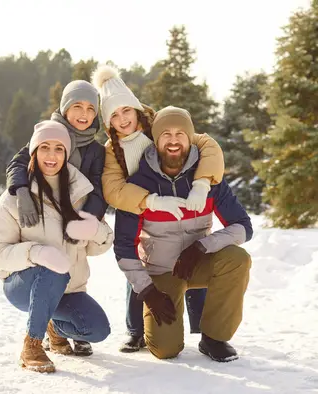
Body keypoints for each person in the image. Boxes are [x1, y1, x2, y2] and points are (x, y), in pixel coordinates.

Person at [92, 65, 226, 352]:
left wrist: (202, 183)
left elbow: (207, 144)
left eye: (126, 111)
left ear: (136, 109)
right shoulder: (111, 150)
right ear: (108, 122)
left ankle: (203, 328)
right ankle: (136, 330)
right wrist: (149, 201)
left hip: (184, 206)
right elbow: (113, 189)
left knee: (193, 257)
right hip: (143, 213)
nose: (122, 119)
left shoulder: (160, 128)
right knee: (139, 263)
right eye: (114, 115)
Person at [113, 106, 253, 362]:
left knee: (237, 259)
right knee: (165, 350)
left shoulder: (209, 181)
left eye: (180, 133)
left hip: (197, 263)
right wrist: (148, 292)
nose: (174, 140)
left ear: (190, 138)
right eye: (166, 134)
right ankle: (145, 329)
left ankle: (214, 338)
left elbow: (243, 227)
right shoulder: (138, 186)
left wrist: (201, 247)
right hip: (161, 272)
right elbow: (123, 247)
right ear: (155, 141)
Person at [0, 120, 113, 373]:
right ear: (34, 151)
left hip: (68, 289)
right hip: (23, 285)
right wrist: (36, 253)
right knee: (52, 268)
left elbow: (99, 245)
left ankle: (51, 324)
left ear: (66, 154)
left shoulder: (81, 193)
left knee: (98, 329)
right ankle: (32, 344)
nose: (51, 155)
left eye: (58, 149)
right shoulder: (14, 198)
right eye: (44, 147)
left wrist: (95, 230)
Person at [6, 80, 107, 225]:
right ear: (65, 108)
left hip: (74, 218)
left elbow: (98, 193)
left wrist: (81, 221)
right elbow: (18, 163)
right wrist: (22, 192)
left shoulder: (96, 151)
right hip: (41, 213)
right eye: (77, 106)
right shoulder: (47, 134)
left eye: (91, 108)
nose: (84, 113)